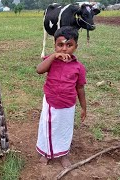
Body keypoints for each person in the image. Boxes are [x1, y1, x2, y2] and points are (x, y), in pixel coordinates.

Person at [35, 26, 87, 168]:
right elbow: (39, 70)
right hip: (50, 103)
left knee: (64, 129)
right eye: (60, 45)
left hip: (68, 105)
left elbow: (80, 88)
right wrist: (52, 56)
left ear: (76, 46)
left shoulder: (79, 67)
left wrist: (83, 107)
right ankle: (46, 153)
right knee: (48, 127)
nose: (64, 49)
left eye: (69, 45)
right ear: (55, 46)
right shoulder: (51, 61)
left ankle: (63, 154)